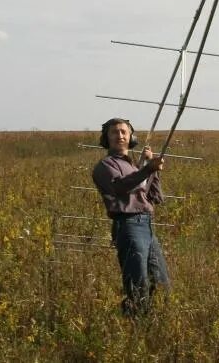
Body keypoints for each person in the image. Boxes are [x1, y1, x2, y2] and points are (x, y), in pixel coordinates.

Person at [91, 117, 170, 316]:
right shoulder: (105, 165)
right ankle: (134, 325)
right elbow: (121, 187)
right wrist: (146, 169)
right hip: (128, 225)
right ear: (106, 138)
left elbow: (153, 196)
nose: (120, 136)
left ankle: (153, 324)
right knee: (138, 282)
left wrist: (153, 171)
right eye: (114, 132)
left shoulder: (135, 167)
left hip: (147, 225)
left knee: (160, 282)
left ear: (131, 137)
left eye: (124, 132)